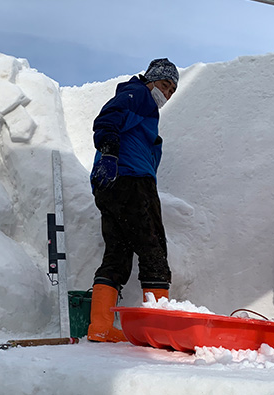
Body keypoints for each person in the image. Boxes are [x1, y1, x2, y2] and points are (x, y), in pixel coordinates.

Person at [87, 58, 178, 342]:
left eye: (172, 90)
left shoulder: (144, 105)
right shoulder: (137, 93)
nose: (167, 94)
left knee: (118, 253)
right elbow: (107, 119)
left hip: (111, 183)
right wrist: (111, 152)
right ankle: (157, 330)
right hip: (131, 180)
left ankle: (100, 327)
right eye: (164, 85)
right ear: (150, 80)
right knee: (153, 249)